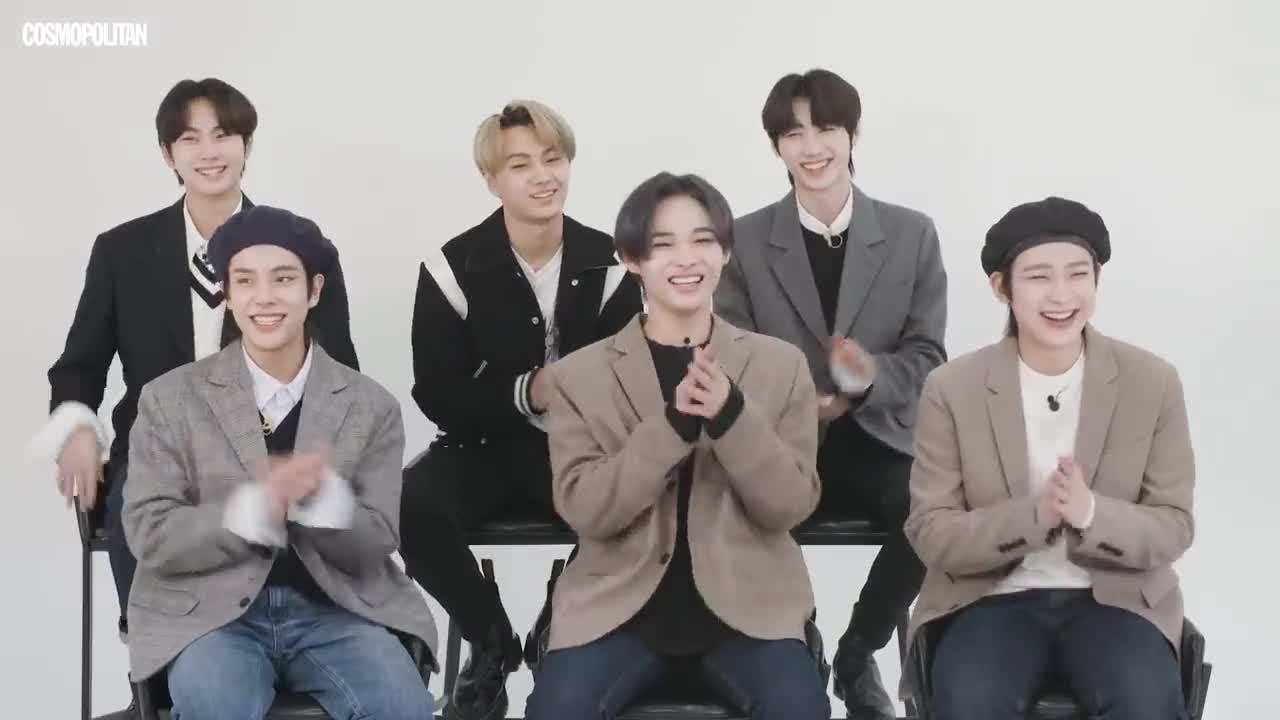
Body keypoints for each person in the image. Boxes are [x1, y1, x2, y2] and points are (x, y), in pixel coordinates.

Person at [28, 77, 359, 720]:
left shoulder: (300, 245)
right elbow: (79, 367)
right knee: (135, 500)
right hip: (161, 451)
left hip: (273, 448)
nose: (210, 152)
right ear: (168, 155)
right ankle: (155, 681)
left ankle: (286, 659)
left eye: (224, 135)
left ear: (246, 147)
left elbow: (339, 366)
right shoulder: (122, 251)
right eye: (191, 139)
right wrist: (76, 429)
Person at [525, 172, 830, 720]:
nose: (686, 259)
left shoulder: (780, 366)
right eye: (663, 244)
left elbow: (789, 506)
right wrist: (672, 427)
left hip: (753, 610)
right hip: (613, 612)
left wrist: (732, 416)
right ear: (632, 259)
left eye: (702, 240)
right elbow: (586, 510)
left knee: (802, 710)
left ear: (726, 252)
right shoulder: (579, 376)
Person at [121, 206, 435, 720]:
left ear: (314, 290)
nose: (263, 297)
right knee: (216, 703)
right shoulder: (168, 399)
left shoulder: (371, 405)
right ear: (226, 294)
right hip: (208, 616)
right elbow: (150, 533)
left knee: (402, 705)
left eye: (283, 279)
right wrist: (251, 510)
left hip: (338, 610)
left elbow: (378, 540)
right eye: (245, 281)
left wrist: (323, 503)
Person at [713, 67, 947, 719]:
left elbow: (929, 359)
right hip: (779, 442)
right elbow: (728, 353)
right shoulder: (744, 240)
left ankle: (856, 655)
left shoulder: (911, 234)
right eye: (794, 134)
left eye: (826, 129)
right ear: (776, 147)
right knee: (728, 514)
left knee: (931, 513)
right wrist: (790, 403)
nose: (812, 147)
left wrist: (868, 379)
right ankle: (795, 646)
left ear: (853, 136)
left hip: (879, 436)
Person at [397, 99, 642, 720]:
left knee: (646, 502)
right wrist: (525, 391)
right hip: (481, 449)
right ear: (491, 180)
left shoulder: (613, 263)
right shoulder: (451, 267)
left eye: (553, 159)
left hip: (582, 452)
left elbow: (631, 380)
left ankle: (558, 618)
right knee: (408, 503)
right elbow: (437, 392)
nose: (542, 176)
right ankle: (491, 640)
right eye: (520, 164)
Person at [903, 197, 1194, 719]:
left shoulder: (1153, 382)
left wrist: (1090, 514)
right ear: (1001, 287)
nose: (1062, 295)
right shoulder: (951, 388)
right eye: (1039, 276)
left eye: (1078, 274)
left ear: (1097, 278)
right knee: (970, 703)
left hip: (1118, 599)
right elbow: (931, 531)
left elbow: (1174, 525)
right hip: (988, 597)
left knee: (1146, 702)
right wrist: (1033, 519)